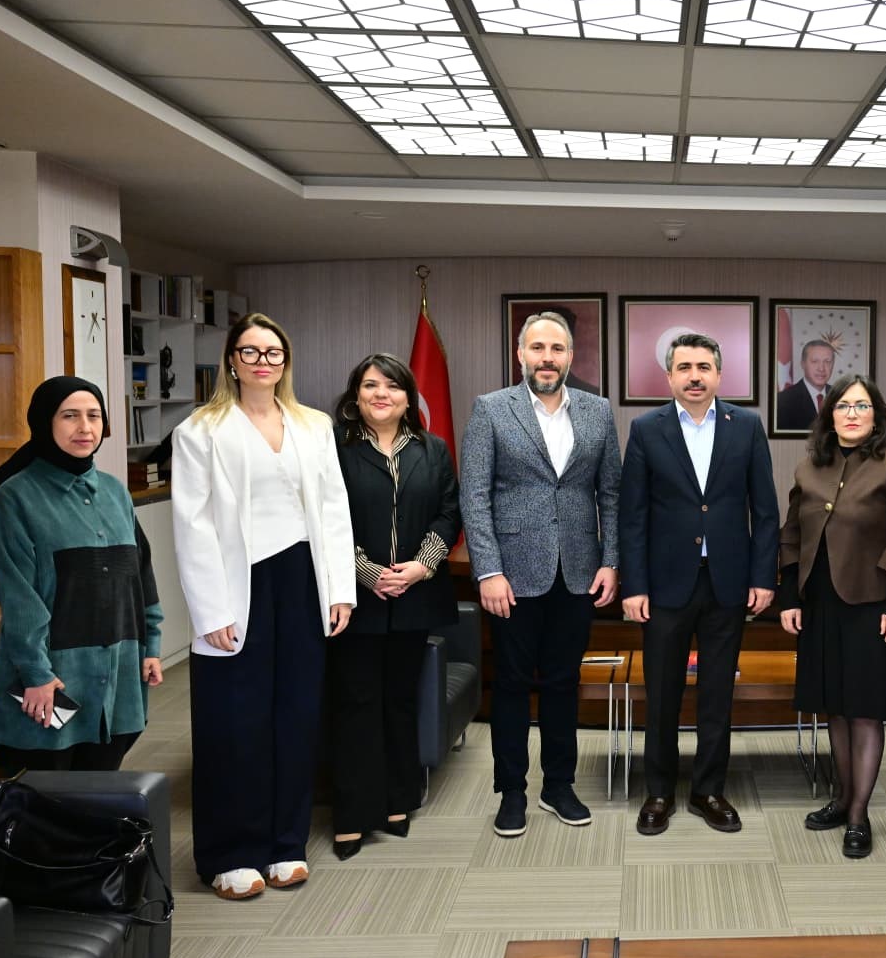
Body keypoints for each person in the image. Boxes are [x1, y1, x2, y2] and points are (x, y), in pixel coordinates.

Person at [173, 313, 356, 899]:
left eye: (273, 352)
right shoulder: (200, 430)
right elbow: (193, 526)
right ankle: (232, 852)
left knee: (295, 716)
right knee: (235, 723)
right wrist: (210, 610)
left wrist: (340, 591)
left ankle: (284, 843)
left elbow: (332, 510)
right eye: (250, 351)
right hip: (235, 586)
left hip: (303, 580)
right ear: (231, 360)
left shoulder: (313, 424)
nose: (262, 361)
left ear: (285, 361)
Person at [460, 311, 620, 839]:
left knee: (561, 683)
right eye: (538, 348)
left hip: (577, 572)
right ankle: (512, 792)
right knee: (509, 685)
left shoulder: (598, 412)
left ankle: (558, 785)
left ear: (571, 357)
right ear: (521, 354)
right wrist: (487, 570)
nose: (547, 358)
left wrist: (610, 560)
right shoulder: (491, 409)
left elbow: (610, 495)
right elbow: (475, 495)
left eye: (557, 349)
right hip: (512, 576)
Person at [619, 332, 778, 837]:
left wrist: (762, 576)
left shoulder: (747, 426)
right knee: (661, 694)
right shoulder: (647, 429)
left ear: (718, 374)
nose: (694, 375)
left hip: (728, 584)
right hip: (664, 587)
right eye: (684, 367)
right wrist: (634, 586)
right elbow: (632, 516)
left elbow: (766, 511)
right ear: (668, 376)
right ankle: (659, 790)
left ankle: (709, 790)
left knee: (717, 696)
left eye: (704, 367)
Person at [0, 377, 163, 771]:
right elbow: (19, 598)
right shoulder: (16, 497)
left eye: (94, 416)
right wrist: (36, 674)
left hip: (119, 676)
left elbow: (141, 574)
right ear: (45, 422)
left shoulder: (115, 492)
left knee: (98, 802)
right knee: (42, 805)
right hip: (51, 683)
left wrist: (152, 646)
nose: (85, 427)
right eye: (70, 416)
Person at [780, 374, 886, 858]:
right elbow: (791, 536)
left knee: (864, 711)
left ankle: (859, 814)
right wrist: (790, 598)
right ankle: (841, 799)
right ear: (830, 414)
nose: (852, 414)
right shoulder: (809, 467)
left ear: (876, 414)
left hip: (873, 606)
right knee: (834, 708)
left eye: (862, 406)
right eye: (844, 406)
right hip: (819, 605)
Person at [328, 353, 461, 860]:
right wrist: (367, 574)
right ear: (355, 397)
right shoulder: (336, 451)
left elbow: (450, 512)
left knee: (401, 703)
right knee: (355, 705)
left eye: (392, 386)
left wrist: (420, 566)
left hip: (415, 596)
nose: (381, 394)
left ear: (409, 397)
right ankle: (352, 813)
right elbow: (325, 519)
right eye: (369, 386)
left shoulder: (434, 450)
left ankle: (397, 801)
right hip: (354, 600)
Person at [776, 340, 836, 430]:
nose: (821, 368)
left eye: (827, 361)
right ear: (803, 364)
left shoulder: (841, 397)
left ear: (833, 364)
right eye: (815, 361)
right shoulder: (783, 401)